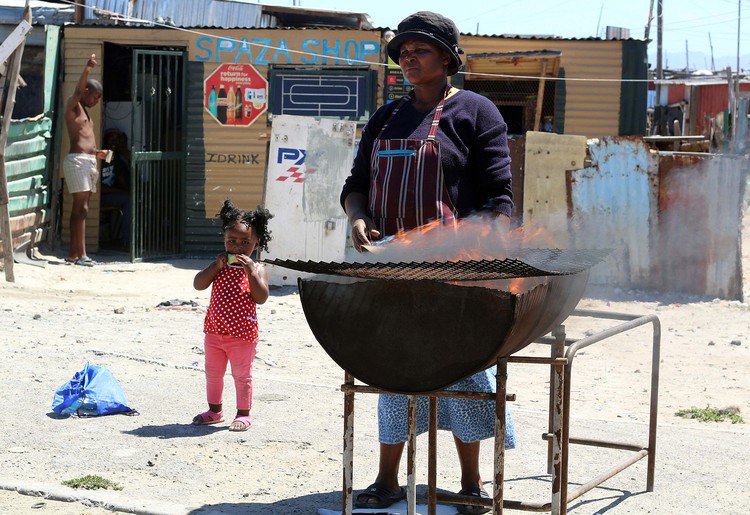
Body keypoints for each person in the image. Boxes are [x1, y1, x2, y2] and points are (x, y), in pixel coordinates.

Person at [340, 11, 515, 513]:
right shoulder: (385, 117)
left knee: (464, 371)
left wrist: (479, 256)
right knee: (393, 368)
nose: (408, 59)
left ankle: (471, 484)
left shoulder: (476, 112)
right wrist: (357, 219)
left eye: (420, 50)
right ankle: (388, 480)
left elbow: (499, 197)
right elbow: (356, 187)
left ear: (446, 59)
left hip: (454, 267)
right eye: (403, 52)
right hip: (391, 265)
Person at [192, 200, 273, 432]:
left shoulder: (258, 269)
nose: (237, 247)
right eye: (232, 241)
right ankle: (214, 411)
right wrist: (214, 267)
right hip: (214, 332)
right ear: (224, 240)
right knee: (213, 374)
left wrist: (250, 272)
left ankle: (244, 414)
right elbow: (198, 285)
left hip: (242, 335)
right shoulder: (219, 266)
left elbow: (261, 297)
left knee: (241, 375)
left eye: (245, 242)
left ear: (257, 243)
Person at [64, 53, 108, 266]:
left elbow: (85, 140)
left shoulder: (87, 115)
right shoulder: (74, 106)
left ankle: (74, 255)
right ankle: (80, 256)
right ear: (87, 92)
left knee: (81, 209)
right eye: (95, 97)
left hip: (89, 161)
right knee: (80, 209)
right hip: (78, 162)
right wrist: (87, 69)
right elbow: (77, 91)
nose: (96, 101)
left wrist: (97, 152)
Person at [100, 129, 131, 250]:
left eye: (117, 140)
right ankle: (127, 241)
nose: (115, 143)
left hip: (110, 196)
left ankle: (127, 241)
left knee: (129, 199)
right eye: (111, 139)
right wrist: (122, 192)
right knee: (127, 199)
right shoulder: (100, 159)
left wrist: (127, 157)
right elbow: (101, 189)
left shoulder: (117, 160)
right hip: (98, 197)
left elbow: (124, 182)